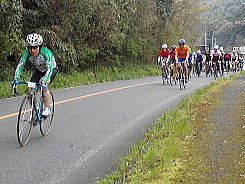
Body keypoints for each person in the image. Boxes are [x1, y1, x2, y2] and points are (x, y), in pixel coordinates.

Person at [11, 33, 59, 116]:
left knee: (43, 84)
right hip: (38, 70)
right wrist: (16, 79)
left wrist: (44, 81)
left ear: (39, 46)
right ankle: (35, 109)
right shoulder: (26, 53)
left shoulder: (46, 53)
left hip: (51, 70)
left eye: (35, 47)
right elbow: (20, 66)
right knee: (30, 90)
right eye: (30, 47)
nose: (32, 50)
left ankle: (47, 108)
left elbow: (49, 68)